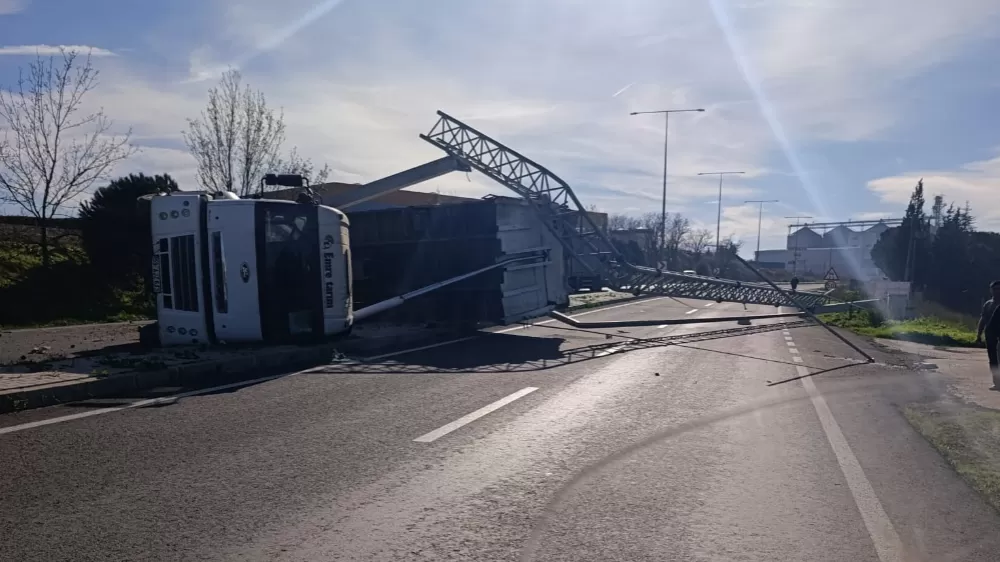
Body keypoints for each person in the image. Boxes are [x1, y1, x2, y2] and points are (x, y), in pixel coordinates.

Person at [975, 280, 1000, 390]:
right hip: (991, 336)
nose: (997, 292)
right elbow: (983, 319)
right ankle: (997, 382)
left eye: (999, 289)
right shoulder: (988, 304)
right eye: (995, 289)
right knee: (993, 359)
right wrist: (979, 334)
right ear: (991, 290)